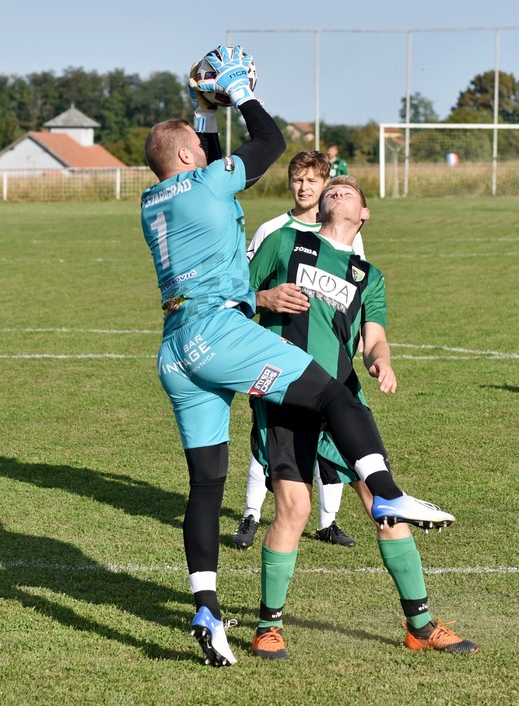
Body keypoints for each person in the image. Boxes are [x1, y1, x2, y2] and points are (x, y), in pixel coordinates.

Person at [140, 45, 453, 668]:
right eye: (200, 147)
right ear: (187, 159)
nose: (209, 152)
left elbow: (202, 156)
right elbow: (269, 141)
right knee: (332, 399)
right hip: (218, 330)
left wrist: (204, 109)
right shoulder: (244, 209)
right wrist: (240, 92)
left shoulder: (157, 199)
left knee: (206, 483)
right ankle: (386, 493)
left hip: (176, 347)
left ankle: (206, 608)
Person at [246, 175, 478, 661]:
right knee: (295, 508)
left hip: (342, 400)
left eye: (349, 191)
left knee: (384, 502)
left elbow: (374, 337)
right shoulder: (284, 242)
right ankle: (268, 627)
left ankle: (420, 625)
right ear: (319, 207)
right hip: (285, 393)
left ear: (364, 214)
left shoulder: (368, 275)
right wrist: (264, 299)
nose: (338, 190)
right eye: (332, 189)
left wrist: (380, 361)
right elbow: (230, 295)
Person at [234, 150, 364, 550]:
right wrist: (265, 299)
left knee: (333, 436)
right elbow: (242, 287)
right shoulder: (274, 230)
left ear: (325, 185)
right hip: (279, 353)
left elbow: (358, 288)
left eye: (312, 180)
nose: (304, 187)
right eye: (297, 179)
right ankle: (251, 514)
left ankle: (328, 521)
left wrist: (360, 335)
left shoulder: (348, 233)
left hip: (330, 354)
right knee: (270, 436)